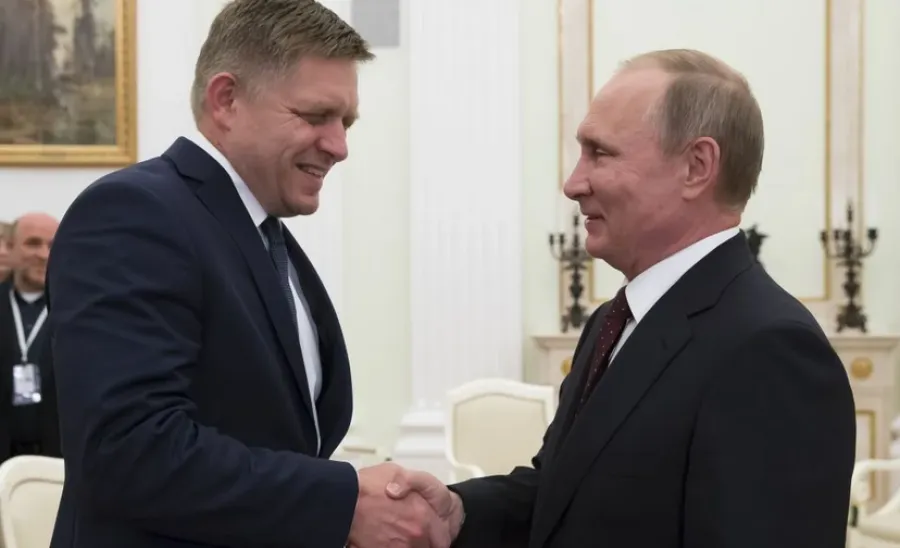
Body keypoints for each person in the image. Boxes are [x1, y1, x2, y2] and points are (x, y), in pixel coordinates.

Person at [390, 49, 856, 547]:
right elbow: (563, 494)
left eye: (600, 153)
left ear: (696, 166)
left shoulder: (768, 349)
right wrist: (458, 512)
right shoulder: (613, 322)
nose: (573, 184)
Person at [47, 1, 451, 547]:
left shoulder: (260, 235)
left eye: (346, 122)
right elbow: (129, 450)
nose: (339, 147)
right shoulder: (135, 213)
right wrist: (344, 504)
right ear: (226, 100)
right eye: (316, 116)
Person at [0, 213, 61, 463]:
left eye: (52, 246)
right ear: (10, 247)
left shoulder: (78, 311)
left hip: (57, 460)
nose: (44, 255)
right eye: (33, 243)